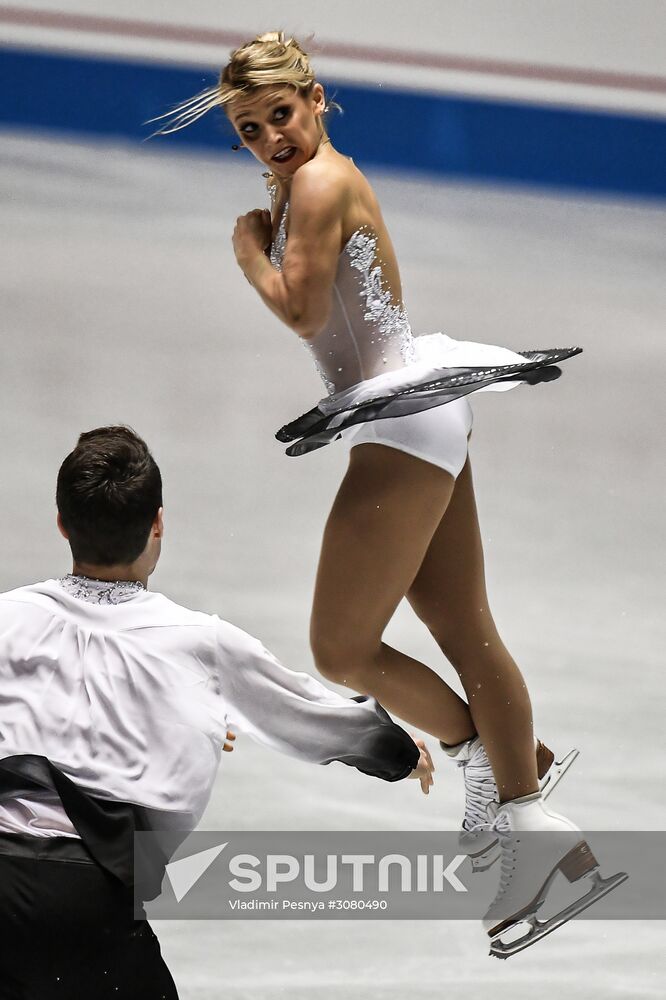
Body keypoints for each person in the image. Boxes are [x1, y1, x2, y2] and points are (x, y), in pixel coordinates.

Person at [153, 32, 625, 955]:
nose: (269, 139)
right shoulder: (307, 182)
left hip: (403, 423)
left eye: (279, 117)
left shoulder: (321, 185)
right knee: (467, 629)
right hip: (415, 414)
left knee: (341, 648)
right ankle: (529, 807)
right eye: (249, 130)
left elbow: (297, 304)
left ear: (316, 99)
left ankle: (496, 776)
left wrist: (247, 249)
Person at [0, 425, 434, 998]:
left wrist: (183, 722)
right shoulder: (200, 642)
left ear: (62, 523)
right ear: (158, 524)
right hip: (89, 899)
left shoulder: (8, 617)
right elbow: (310, 717)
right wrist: (399, 754)